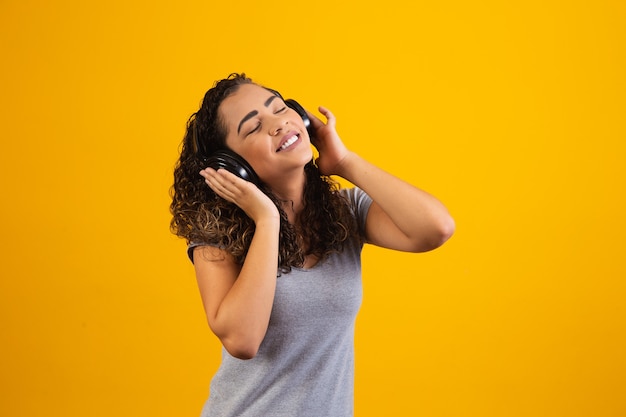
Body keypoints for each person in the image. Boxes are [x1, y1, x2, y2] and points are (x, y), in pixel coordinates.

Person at [170, 73, 455, 417]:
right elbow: (242, 340)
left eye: (279, 108)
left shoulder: (345, 213)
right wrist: (267, 220)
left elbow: (436, 228)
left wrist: (345, 162)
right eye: (254, 127)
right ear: (233, 167)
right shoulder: (215, 236)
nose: (278, 123)